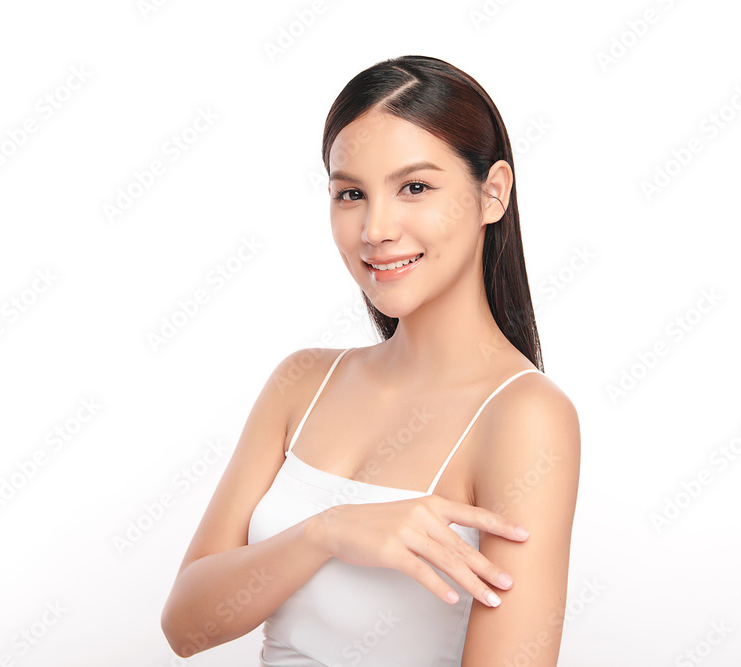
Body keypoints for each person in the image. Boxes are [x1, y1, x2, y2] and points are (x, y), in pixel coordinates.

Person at [160, 55, 580, 666]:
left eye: (415, 187)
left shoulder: (525, 415)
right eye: (351, 194)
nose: (375, 229)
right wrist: (325, 533)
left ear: (492, 194)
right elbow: (185, 627)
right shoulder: (302, 382)